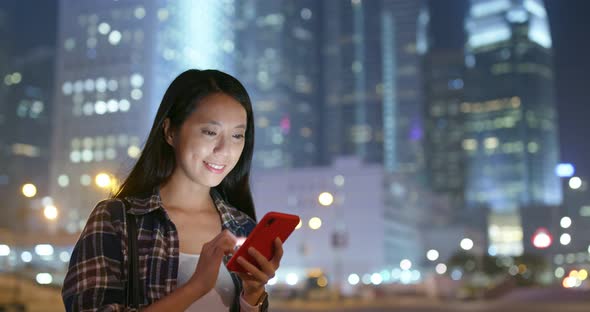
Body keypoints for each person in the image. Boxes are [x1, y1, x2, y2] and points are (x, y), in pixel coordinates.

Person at [62, 69, 281, 311]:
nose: (224, 150)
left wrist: (253, 294)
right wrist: (196, 287)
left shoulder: (244, 228)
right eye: (210, 132)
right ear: (170, 131)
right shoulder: (119, 219)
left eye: (237, 135)